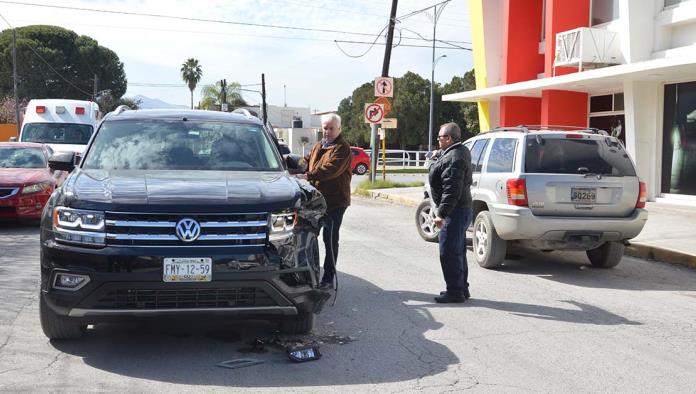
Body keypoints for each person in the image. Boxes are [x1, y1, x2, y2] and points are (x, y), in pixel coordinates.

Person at [298, 113, 352, 290]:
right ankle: (308, 274)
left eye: (331, 128)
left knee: (330, 241)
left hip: (335, 202)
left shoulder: (342, 148)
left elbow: (330, 170)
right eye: (325, 128)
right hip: (315, 202)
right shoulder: (319, 145)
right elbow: (306, 162)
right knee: (308, 238)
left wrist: (307, 175)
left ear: (339, 129)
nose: (327, 131)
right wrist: (290, 162)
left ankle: (328, 278)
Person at [429, 122, 473, 303]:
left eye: (440, 137)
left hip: (454, 211)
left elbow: (451, 190)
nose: (438, 141)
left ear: (448, 138)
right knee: (458, 251)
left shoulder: (454, 158)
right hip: (462, 209)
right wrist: (437, 157)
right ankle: (461, 288)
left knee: (448, 252)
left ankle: (455, 292)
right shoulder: (459, 151)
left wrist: (441, 214)